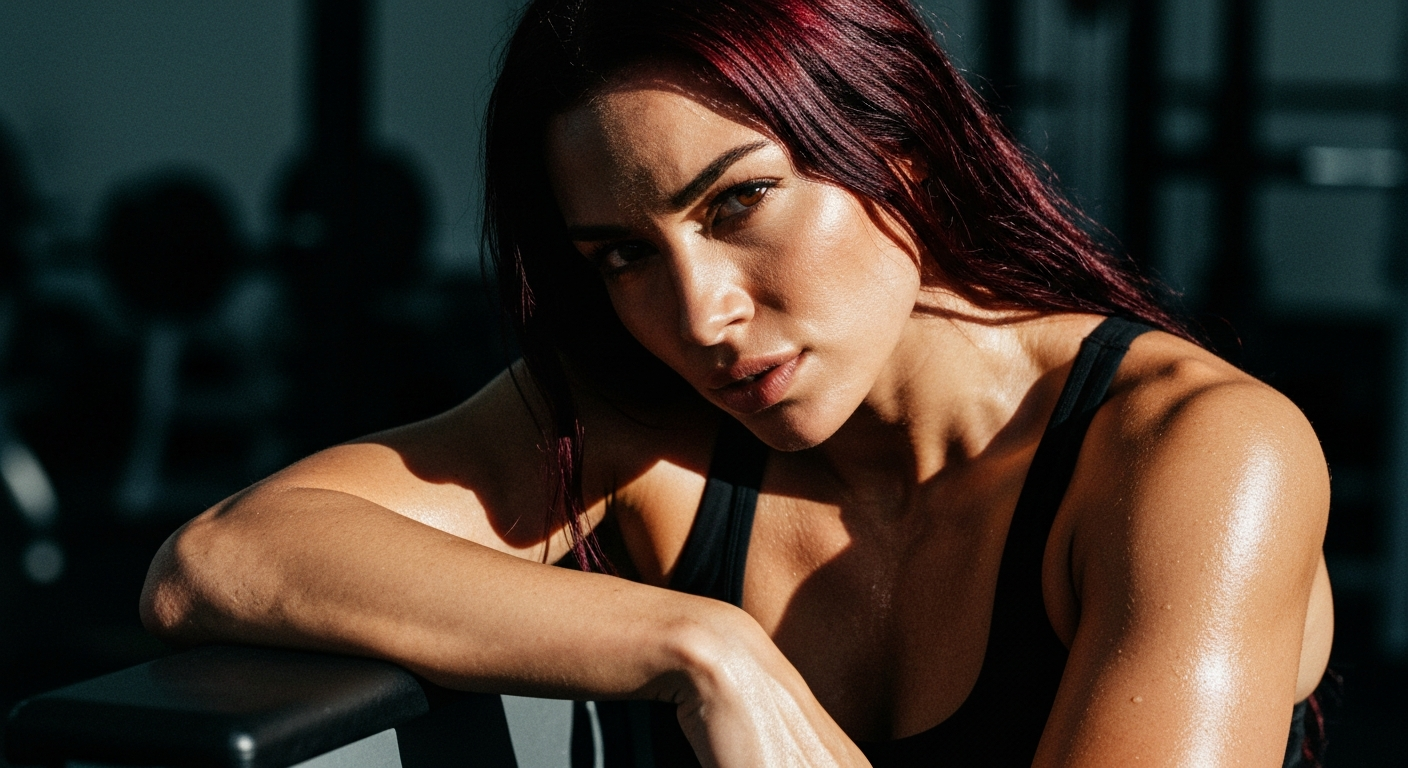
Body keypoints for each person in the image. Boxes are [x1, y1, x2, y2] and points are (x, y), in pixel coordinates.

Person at [140, 1, 1334, 765]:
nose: (699, 313)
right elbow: (224, 561)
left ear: (900, 152)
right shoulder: (645, 428)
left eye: (737, 203)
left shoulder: (1189, 455)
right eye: (620, 255)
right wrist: (703, 646)